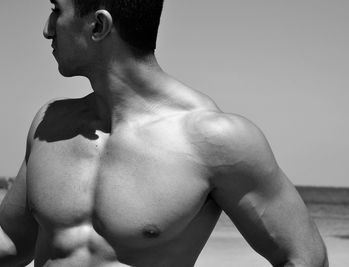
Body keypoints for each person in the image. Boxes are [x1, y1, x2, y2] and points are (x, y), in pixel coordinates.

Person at [0, 0, 328, 266]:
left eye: (56, 11)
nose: (47, 29)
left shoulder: (212, 139)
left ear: (99, 26)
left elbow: (303, 258)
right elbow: (13, 243)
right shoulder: (50, 124)